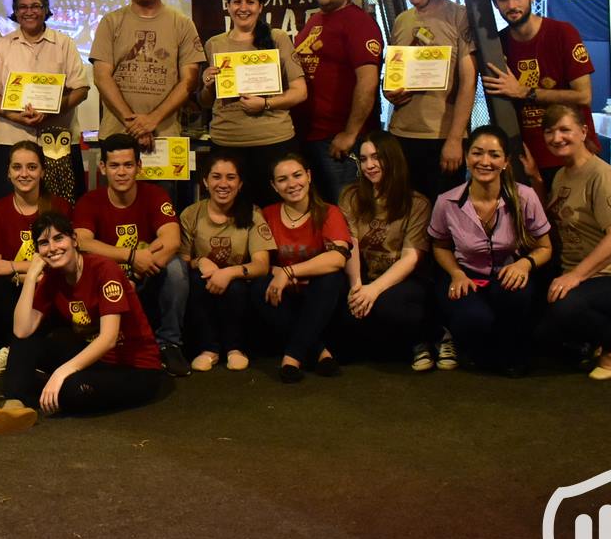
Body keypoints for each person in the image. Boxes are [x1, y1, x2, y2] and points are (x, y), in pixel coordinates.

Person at [0, 211, 165, 435]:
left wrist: (61, 372)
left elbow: (108, 339)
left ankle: (33, 386)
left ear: (74, 240)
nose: (52, 248)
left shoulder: (104, 269)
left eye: (59, 238)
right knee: (26, 340)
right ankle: (14, 404)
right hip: (95, 360)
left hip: (136, 369)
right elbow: (21, 330)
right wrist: (31, 275)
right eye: (44, 243)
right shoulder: (52, 278)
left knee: (73, 389)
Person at [428, 125, 553, 375]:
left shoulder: (525, 196)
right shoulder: (446, 201)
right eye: (477, 153)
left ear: (505, 162)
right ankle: (474, 346)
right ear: (467, 157)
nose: (485, 162)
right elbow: (440, 246)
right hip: (466, 276)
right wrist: (456, 274)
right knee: (473, 320)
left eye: (494, 155)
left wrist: (524, 264)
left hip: (507, 273)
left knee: (517, 296)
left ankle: (508, 349)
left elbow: (545, 247)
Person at [537, 105, 611, 380]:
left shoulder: (601, 175)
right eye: (550, 132)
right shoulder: (563, 174)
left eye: (565, 130)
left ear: (583, 131)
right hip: (583, 277)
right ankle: (604, 335)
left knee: (566, 306)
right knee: (541, 334)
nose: (557, 138)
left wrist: (575, 276)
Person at [72, 133, 190, 376]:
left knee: (176, 268)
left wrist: (138, 272)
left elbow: (171, 240)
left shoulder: (155, 195)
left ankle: (169, 344)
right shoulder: (89, 201)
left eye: (128, 165)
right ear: (103, 167)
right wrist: (131, 256)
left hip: (146, 274)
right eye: (114, 165)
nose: (121, 172)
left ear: (139, 166)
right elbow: (82, 243)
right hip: (109, 277)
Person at [481, 0, 597, 190]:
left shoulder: (562, 33)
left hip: (572, 152)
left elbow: (584, 96)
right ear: (495, 3)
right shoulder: (498, 45)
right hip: (528, 158)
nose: (512, 5)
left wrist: (524, 91)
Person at [197, 0, 307, 206]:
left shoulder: (278, 38)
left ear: (260, 6)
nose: (243, 8)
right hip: (227, 144)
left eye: (250, 2)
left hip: (273, 142)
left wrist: (265, 104)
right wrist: (208, 84)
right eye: (237, 2)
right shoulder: (214, 44)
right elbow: (206, 102)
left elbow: (300, 92)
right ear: (228, 6)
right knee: (232, 216)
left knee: (274, 213)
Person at [0, 0, 90, 204]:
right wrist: (14, 116)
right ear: (15, 11)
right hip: (12, 139)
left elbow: (81, 89)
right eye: (22, 7)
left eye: (35, 6)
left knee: (60, 206)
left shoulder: (64, 43)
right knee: (13, 206)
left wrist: (51, 112)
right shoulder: (3, 45)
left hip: (58, 141)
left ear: (45, 8)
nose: (29, 12)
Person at [89, 0, 205, 155]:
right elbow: (101, 77)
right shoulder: (110, 22)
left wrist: (153, 119)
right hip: (117, 137)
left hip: (165, 137)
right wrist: (134, 125)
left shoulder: (182, 24)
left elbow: (189, 81)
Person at [337, 132, 436, 370]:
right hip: (363, 275)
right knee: (344, 312)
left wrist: (373, 290)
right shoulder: (351, 195)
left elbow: (411, 258)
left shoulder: (417, 202)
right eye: (363, 159)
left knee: (386, 306)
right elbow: (351, 245)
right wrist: (357, 287)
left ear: (392, 159)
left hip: (404, 280)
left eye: (376, 157)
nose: (369, 165)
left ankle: (427, 337)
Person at [385, 0, 477, 203]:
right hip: (401, 135)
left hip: (441, 137)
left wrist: (455, 139)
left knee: (444, 214)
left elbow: (469, 82)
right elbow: (393, 72)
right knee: (407, 211)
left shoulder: (460, 17)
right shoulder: (401, 21)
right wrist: (388, 90)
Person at [0, 141, 70, 377]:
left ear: (42, 171)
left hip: (49, 283)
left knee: (54, 285)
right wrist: (29, 275)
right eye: (17, 167)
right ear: (8, 172)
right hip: (15, 287)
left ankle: (13, 351)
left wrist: (14, 267)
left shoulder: (58, 206)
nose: (24, 174)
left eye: (31, 167)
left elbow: (63, 260)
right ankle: (18, 350)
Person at [293, 0, 384, 202]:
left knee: (347, 212)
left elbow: (368, 82)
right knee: (322, 214)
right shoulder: (314, 20)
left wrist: (350, 134)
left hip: (338, 142)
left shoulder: (359, 22)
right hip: (309, 137)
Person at [177, 151, 274, 373]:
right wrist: (200, 261)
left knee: (236, 286)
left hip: (239, 285)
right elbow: (182, 260)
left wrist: (228, 273)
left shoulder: (252, 214)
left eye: (231, 177)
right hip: (203, 281)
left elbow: (261, 265)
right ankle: (208, 349)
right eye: (216, 177)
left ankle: (235, 349)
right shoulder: (191, 214)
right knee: (194, 279)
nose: (223, 184)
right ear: (205, 181)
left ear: (240, 184)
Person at [260, 153, 351, 382]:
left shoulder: (329, 212)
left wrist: (289, 271)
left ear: (309, 176)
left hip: (318, 292)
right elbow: (258, 261)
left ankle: (293, 356)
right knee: (257, 285)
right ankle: (320, 352)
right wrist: (278, 273)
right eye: (282, 179)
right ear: (274, 186)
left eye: (297, 175)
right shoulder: (266, 214)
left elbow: (338, 257)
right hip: (285, 292)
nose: (292, 184)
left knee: (331, 278)